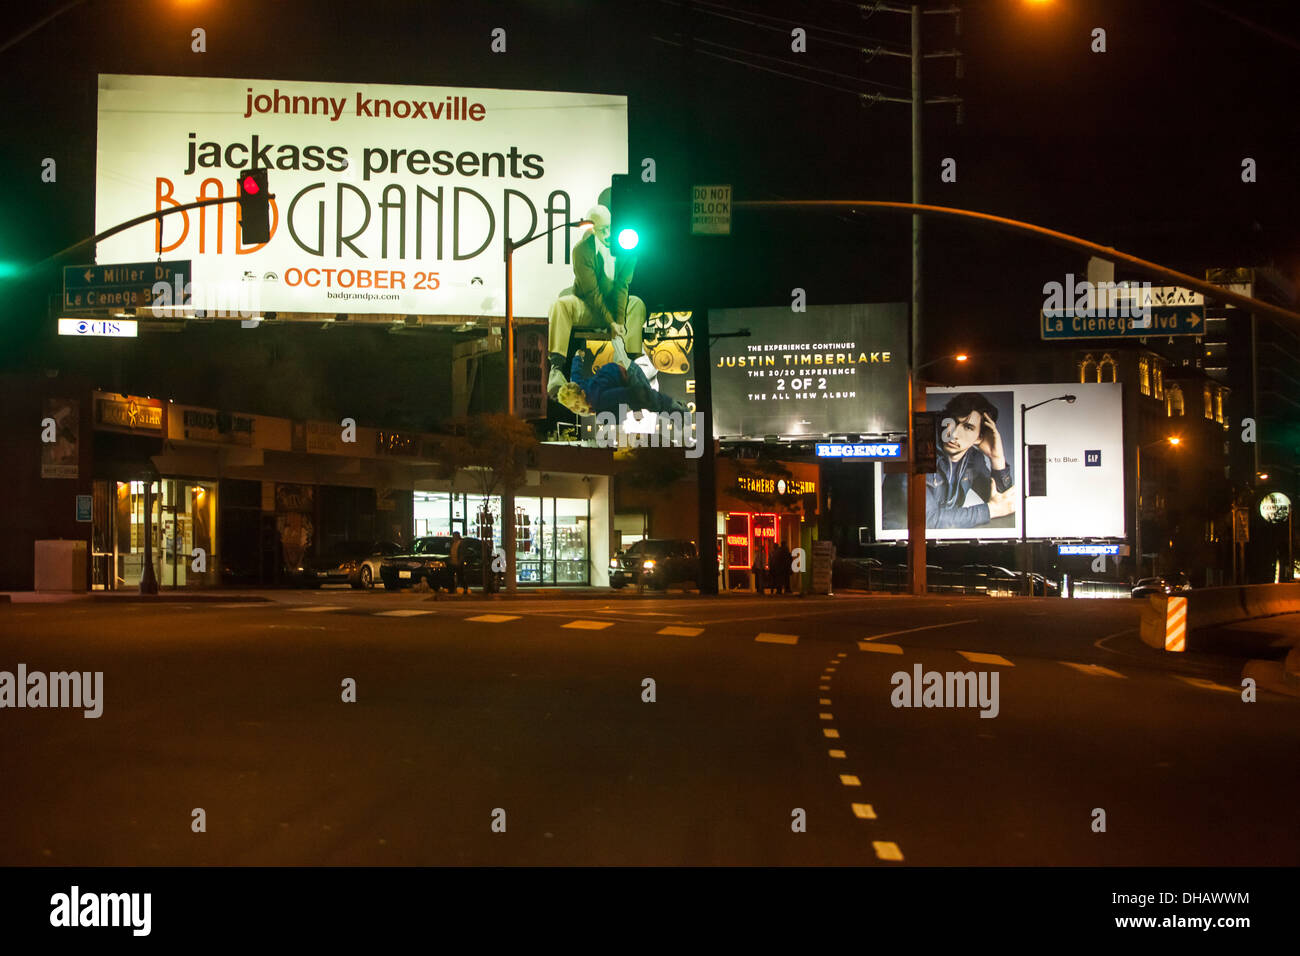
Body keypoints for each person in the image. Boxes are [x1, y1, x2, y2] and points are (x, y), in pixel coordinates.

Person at [546, 201, 647, 398]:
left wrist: (618, 321)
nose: (608, 234)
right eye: (603, 230)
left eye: (610, 228)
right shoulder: (582, 251)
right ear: (593, 230)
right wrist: (610, 321)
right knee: (560, 305)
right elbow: (592, 293)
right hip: (589, 307)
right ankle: (556, 369)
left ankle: (632, 365)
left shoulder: (628, 247)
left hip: (614, 309)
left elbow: (622, 286)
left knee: (636, 303)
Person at [882, 392, 1015, 530]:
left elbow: (1005, 503)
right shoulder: (919, 448)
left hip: (940, 541)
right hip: (899, 543)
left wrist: (996, 458)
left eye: (968, 427)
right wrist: (990, 510)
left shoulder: (973, 459)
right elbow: (926, 520)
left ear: (979, 437)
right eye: (953, 422)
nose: (954, 434)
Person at [556, 338, 689, 418]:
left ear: (583, 394)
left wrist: (638, 407)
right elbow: (575, 372)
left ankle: (678, 408)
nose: (577, 409)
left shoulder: (600, 398)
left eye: (577, 404)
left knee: (650, 401)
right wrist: (578, 356)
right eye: (572, 408)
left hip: (631, 375)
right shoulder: (576, 385)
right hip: (615, 373)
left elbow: (631, 393)